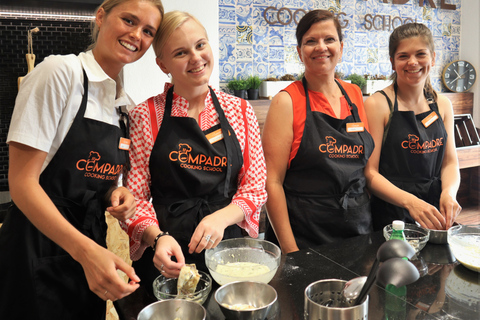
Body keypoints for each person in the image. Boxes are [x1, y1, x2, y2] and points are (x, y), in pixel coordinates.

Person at [0, 1, 163, 319]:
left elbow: (93, 179)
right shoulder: (59, 74)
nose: (136, 35)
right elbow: (21, 184)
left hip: (88, 253)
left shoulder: (121, 105)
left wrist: (117, 195)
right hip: (36, 249)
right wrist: (86, 252)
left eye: (148, 31)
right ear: (101, 16)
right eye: (128, 20)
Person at [120, 11, 267, 293]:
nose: (196, 58)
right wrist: (156, 238)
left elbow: (255, 187)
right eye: (181, 52)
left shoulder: (240, 111)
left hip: (227, 248)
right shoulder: (144, 115)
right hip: (166, 249)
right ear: (162, 64)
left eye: (201, 45)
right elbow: (135, 196)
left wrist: (220, 218)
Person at [263, 9, 374, 254]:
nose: (320, 47)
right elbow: (272, 182)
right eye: (310, 41)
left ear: (341, 47)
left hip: (357, 229)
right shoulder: (287, 102)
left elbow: (364, 169)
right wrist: (292, 252)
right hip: (305, 236)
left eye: (329, 39)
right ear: (299, 52)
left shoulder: (354, 93)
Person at [364, 23, 461, 231]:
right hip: (392, 215)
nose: (413, 62)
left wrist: (449, 193)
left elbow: (450, 163)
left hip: (435, 213)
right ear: (392, 62)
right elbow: (370, 174)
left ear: (433, 58)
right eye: (403, 56)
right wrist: (411, 202)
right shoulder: (378, 104)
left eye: (420, 54)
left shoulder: (442, 105)